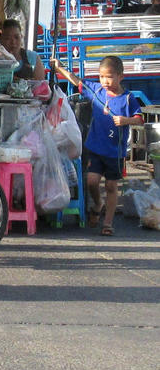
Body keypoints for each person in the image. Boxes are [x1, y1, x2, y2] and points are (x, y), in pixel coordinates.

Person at [52, 55, 142, 236]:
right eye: (102, 77)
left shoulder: (128, 99)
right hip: (95, 148)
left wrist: (126, 120)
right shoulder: (96, 91)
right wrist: (59, 67)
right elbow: (76, 80)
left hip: (115, 153)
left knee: (111, 185)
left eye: (109, 77)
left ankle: (108, 223)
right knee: (92, 181)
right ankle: (98, 204)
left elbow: (140, 120)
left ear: (120, 76)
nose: (105, 81)